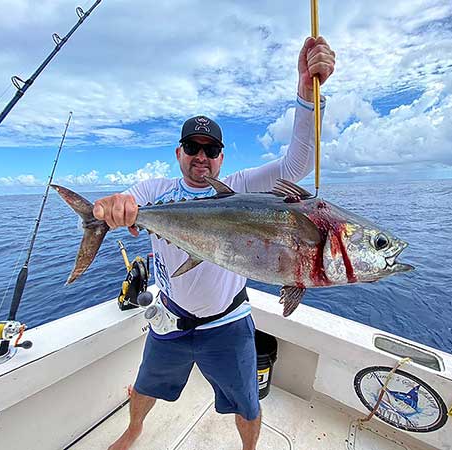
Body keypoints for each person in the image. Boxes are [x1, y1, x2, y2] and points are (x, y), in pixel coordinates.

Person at [96, 36, 335, 450]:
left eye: (211, 149)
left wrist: (306, 90)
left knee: (247, 405)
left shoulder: (240, 189)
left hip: (227, 323)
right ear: (179, 153)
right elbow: (128, 201)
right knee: (145, 385)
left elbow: (295, 163)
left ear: (222, 157)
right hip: (169, 320)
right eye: (193, 147)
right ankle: (134, 431)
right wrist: (112, 207)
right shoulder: (157, 190)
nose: (201, 156)